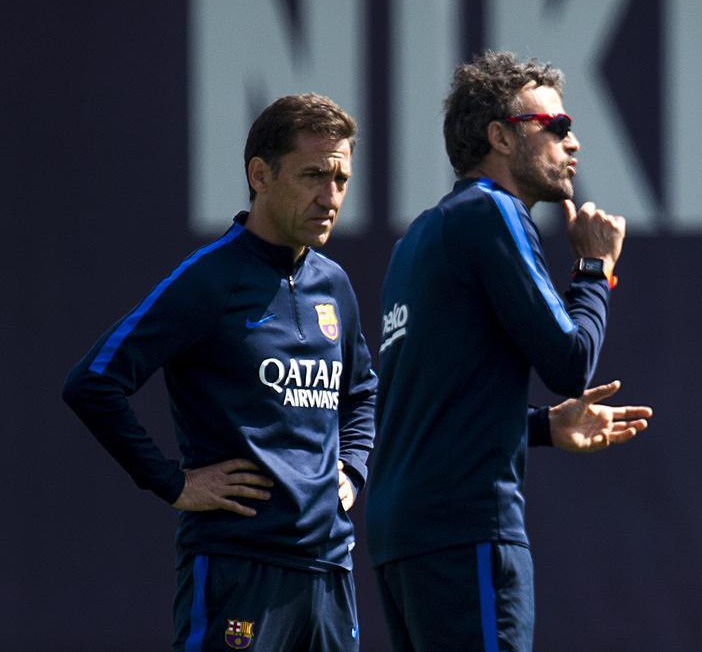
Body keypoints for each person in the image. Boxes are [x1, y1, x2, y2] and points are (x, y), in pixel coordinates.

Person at [62, 94, 376, 651]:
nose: (331, 198)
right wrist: (173, 482)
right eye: (312, 175)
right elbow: (93, 382)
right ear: (260, 174)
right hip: (239, 568)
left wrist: (351, 469)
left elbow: (362, 392)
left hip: (329, 571)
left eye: (341, 179)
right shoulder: (209, 279)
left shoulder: (335, 285)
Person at [366, 50, 651, 651]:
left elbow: (430, 416)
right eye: (556, 127)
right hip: (466, 530)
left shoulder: (418, 238)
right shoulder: (493, 213)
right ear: (499, 136)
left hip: (404, 539)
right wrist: (595, 268)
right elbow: (570, 363)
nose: (573, 143)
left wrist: (544, 428)